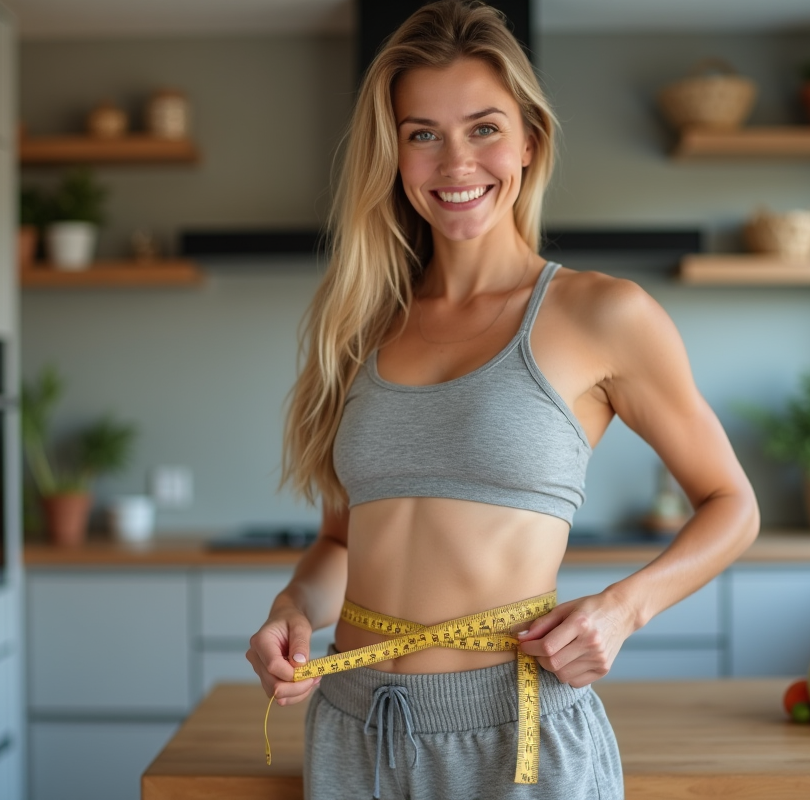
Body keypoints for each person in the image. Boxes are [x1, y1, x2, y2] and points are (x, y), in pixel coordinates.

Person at [246, 2, 760, 797]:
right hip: (353, 726)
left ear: (529, 140)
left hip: (514, 727)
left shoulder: (602, 314)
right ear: (393, 156)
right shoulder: (360, 327)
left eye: (483, 128)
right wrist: (291, 607)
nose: (455, 163)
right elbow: (342, 540)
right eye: (423, 134)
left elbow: (732, 504)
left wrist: (623, 610)